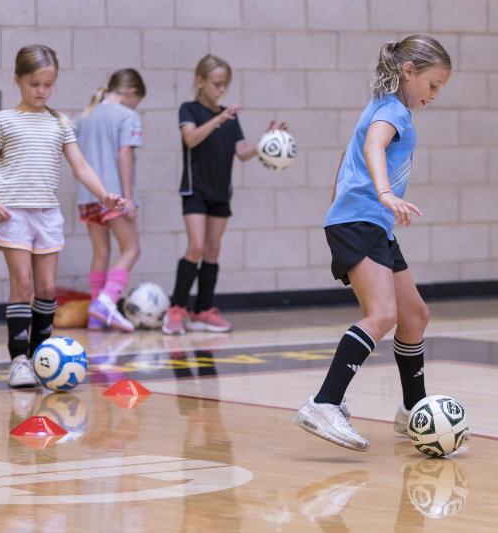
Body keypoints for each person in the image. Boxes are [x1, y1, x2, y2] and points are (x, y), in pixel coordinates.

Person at [294, 34, 452, 451]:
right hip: (362, 220)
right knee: (382, 314)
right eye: (432, 85)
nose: (434, 95)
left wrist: (341, 203)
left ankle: (414, 411)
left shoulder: (385, 107)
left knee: (414, 314)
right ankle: (325, 402)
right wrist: (383, 194)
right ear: (408, 71)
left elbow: (346, 160)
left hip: (370, 223)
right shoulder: (391, 112)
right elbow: (371, 147)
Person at [0, 44, 123, 388]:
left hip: (47, 215)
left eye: (48, 84)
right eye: (34, 84)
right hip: (12, 213)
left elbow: (81, 166)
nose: (41, 91)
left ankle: (41, 355)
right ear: (18, 80)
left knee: (45, 289)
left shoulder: (60, 123)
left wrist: (105, 195)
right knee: (23, 285)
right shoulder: (4, 120)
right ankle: (18, 360)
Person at [162, 54, 286, 335]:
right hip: (195, 190)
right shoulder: (189, 109)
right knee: (195, 247)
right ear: (200, 81)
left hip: (220, 192)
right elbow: (190, 138)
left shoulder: (230, 117)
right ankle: (176, 309)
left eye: (224, 85)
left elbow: (242, 153)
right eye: (216, 84)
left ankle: (203, 311)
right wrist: (219, 119)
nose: (221, 90)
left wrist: (267, 141)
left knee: (213, 250)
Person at [76, 69, 147, 332]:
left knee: (101, 253)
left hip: (88, 196)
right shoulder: (128, 116)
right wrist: (128, 197)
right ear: (131, 93)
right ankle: (107, 301)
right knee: (131, 249)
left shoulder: (85, 116)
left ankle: (96, 314)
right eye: (138, 100)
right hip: (114, 195)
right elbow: (124, 154)